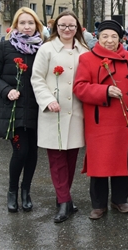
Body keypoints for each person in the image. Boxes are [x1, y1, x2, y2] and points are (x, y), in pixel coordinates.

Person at [73, 20, 128, 220]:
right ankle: (98, 204)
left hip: (124, 119)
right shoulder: (87, 58)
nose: (109, 40)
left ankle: (119, 199)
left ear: (120, 38)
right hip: (99, 120)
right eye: (105, 36)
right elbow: (80, 87)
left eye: (114, 36)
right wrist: (105, 90)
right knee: (99, 163)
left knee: (121, 162)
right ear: (98, 38)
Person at [31, 11, 89, 223]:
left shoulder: (83, 51)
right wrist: (47, 100)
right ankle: (64, 202)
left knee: (71, 159)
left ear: (77, 28)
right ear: (56, 27)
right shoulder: (47, 49)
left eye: (71, 26)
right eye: (63, 25)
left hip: (75, 113)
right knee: (56, 160)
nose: (67, 30)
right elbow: (37, 78)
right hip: (53, 113)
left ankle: (63, 197)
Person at [0, 7, 44, 213]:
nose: (27, 27)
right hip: (13, 110)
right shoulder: (4, 47)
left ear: (36, 25)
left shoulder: (42, 48)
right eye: (23, 23)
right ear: (15, 25)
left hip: (36, 110)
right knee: (20, 151)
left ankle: (25, 191)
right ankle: (12, 191)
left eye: (31, 23)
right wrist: (6, 90)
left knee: (33, 153)